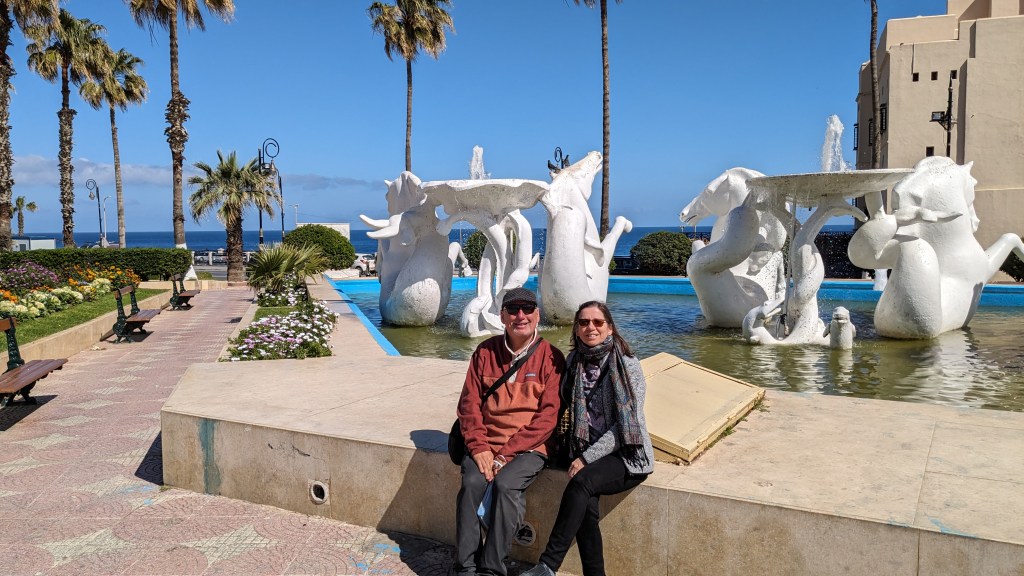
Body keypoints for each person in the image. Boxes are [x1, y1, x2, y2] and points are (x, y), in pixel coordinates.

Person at [522, 300, 654, 576]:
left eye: (597, 322)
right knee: (585, 507)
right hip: (584, 448)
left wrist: (585, 458)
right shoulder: (574, 361)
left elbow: (625, 426)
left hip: (627, 454)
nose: (590, 327)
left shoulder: (627, 365)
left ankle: (548, 565)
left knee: (581, 483)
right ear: (576, 328)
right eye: (583, 322)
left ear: (610, 328)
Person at [455, 287, 566, 576]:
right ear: (502, 316)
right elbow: (468, 405)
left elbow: (548, 418)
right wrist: (479, 447)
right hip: (486, 442)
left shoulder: (552, 358)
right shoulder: (484, 352)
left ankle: (491, 568)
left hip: (530, 447)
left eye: (527, 309)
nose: (520, 316)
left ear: (537, 315)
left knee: (506, 484)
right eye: (513, 310)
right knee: (472, 483)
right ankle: (465, 566)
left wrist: (505, 455)